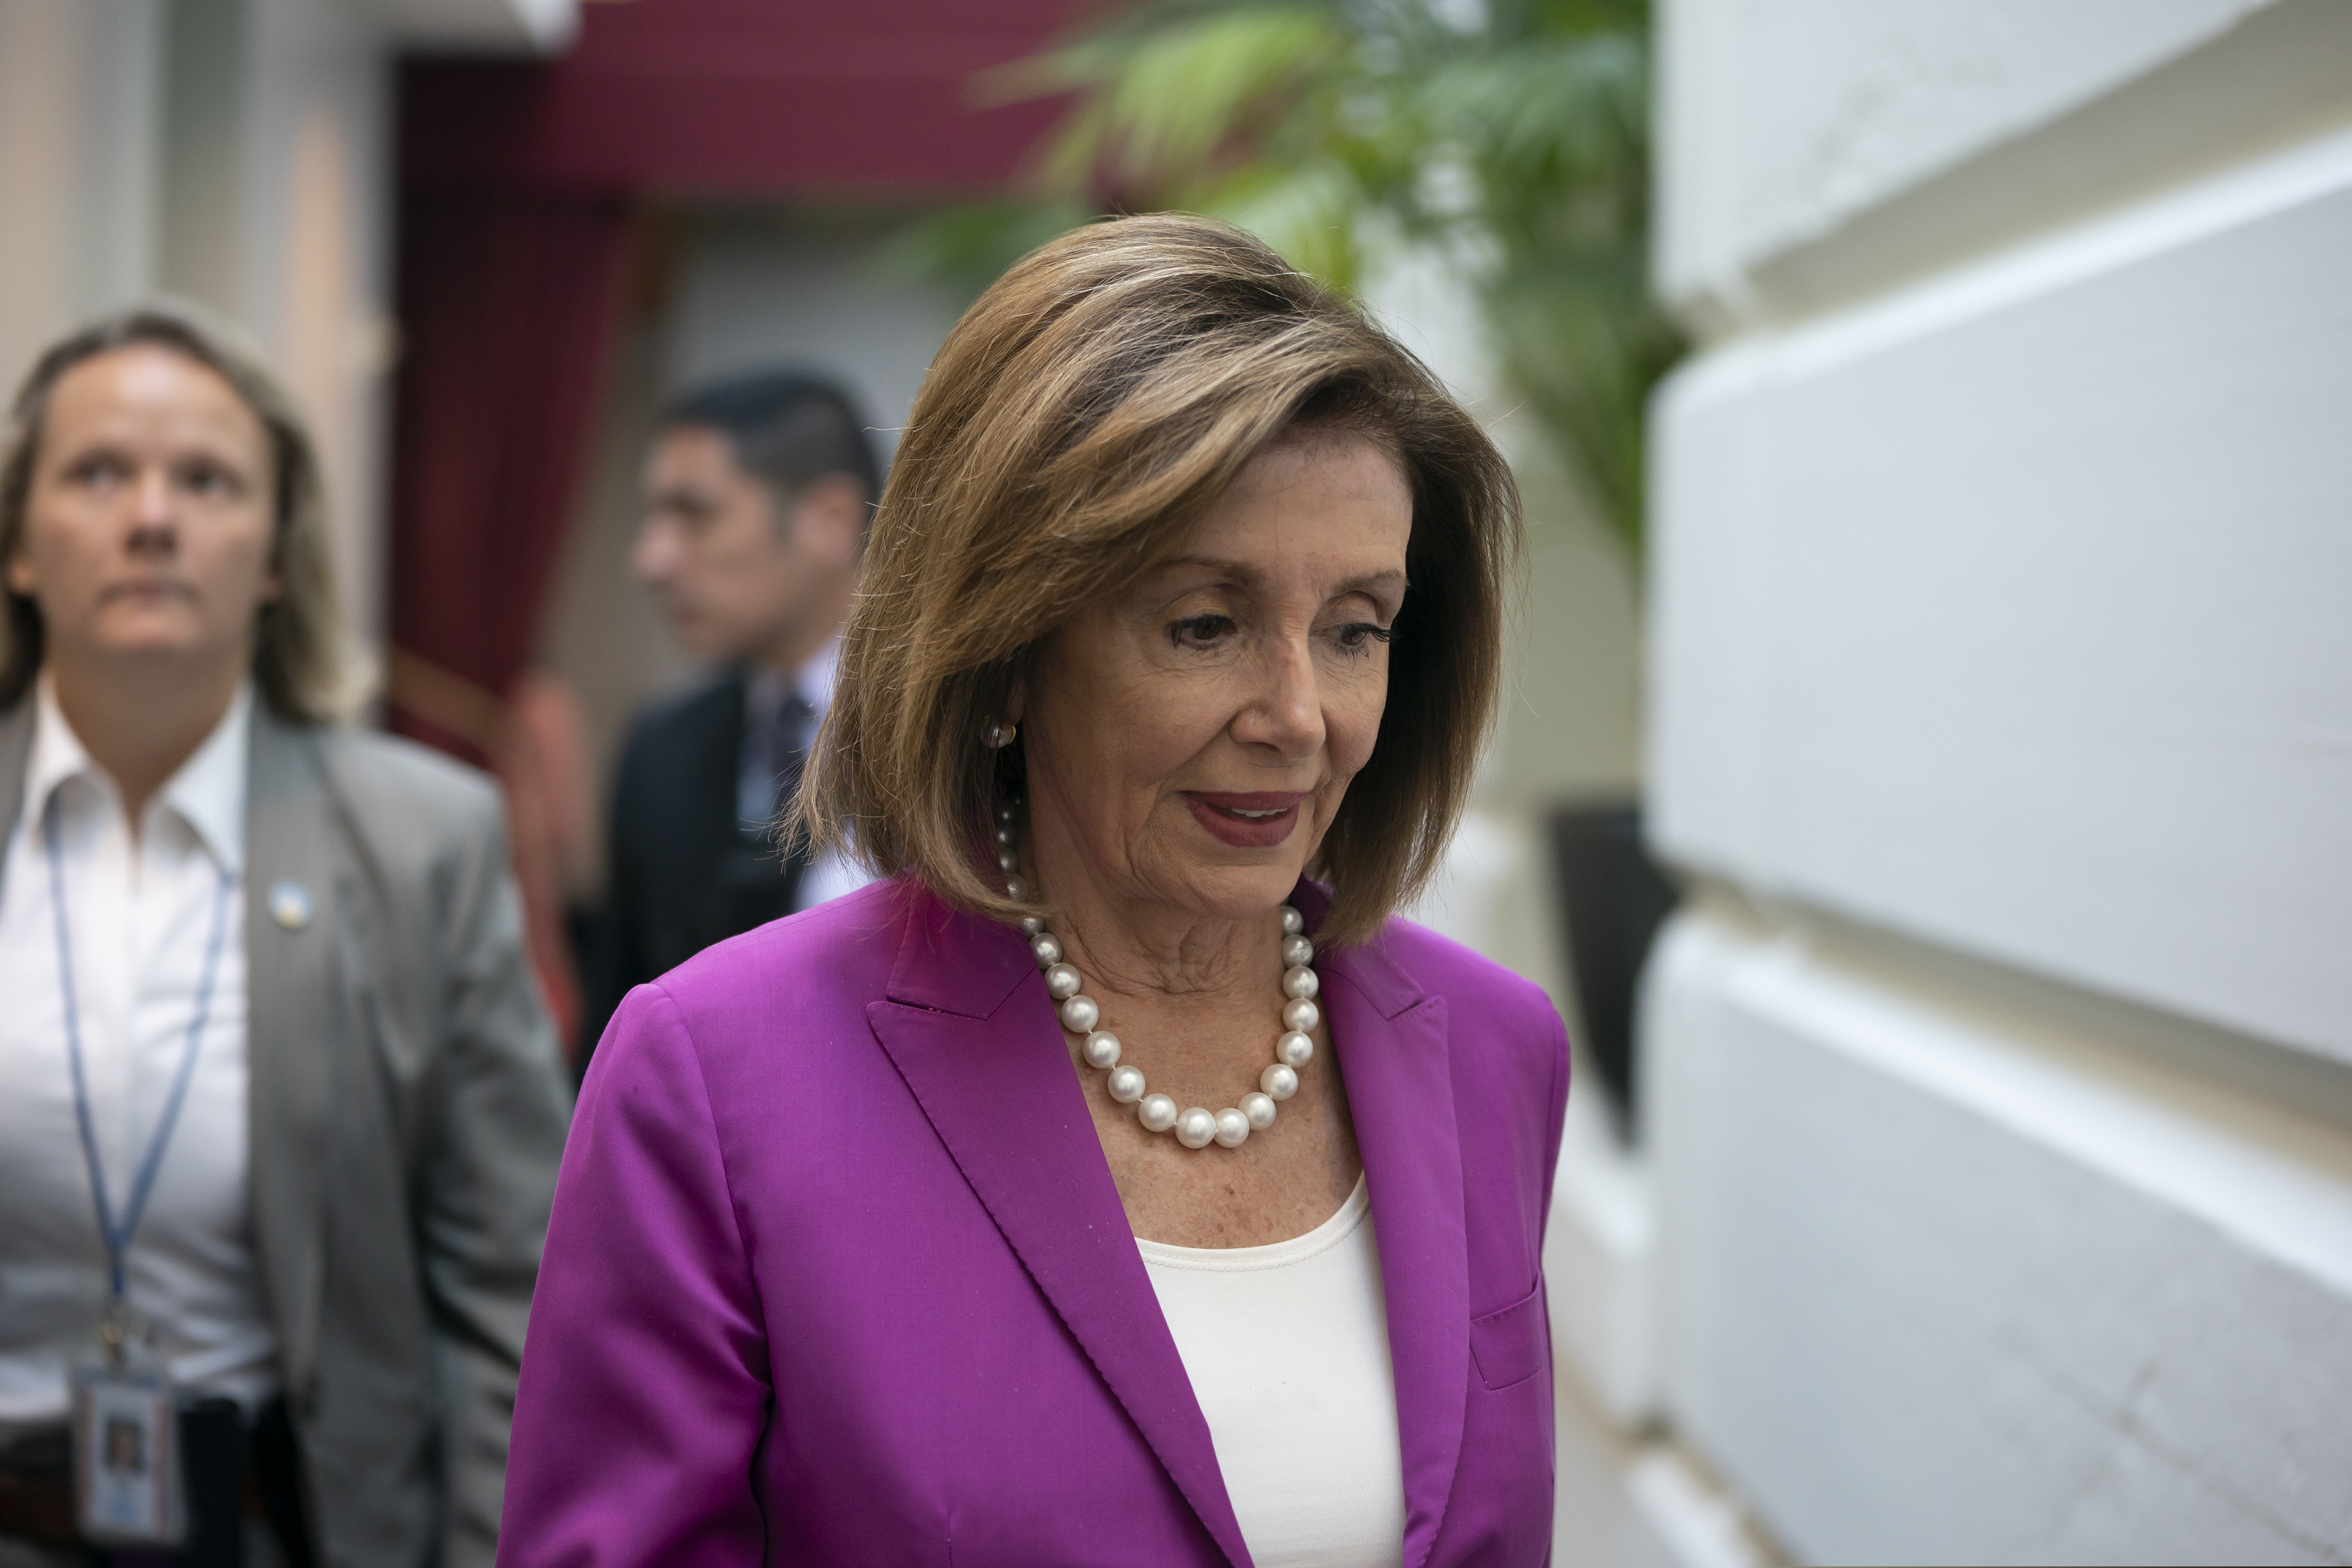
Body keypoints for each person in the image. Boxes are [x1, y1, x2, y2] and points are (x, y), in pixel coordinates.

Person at [503, 214, 1567, 1567]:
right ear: (1005, 649)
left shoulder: (1492, 1049)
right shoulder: (713, 1078)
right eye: (1203, 624)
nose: (1300, 715)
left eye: (1355, 627)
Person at [0, 305, 571, 1567]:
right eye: (97, 473)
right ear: (20, 546)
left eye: (206, 480)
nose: (152, 516)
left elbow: (511, 1288)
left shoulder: (424, 839)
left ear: (273, 555)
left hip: (284, 1526)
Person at [576, 370, 882, 1076]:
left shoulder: (965, 738)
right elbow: (613, 1040)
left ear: (830, 520)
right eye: (655, 518)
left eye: (696, 513)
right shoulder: (661, 751)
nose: (651, 559)